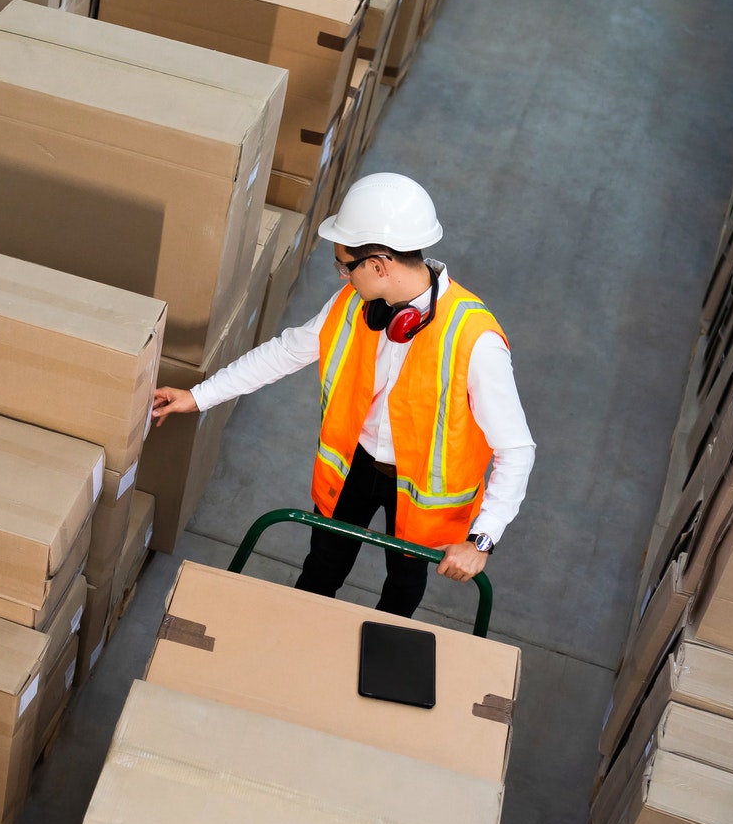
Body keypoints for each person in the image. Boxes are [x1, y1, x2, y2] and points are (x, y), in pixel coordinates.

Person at [153, 173, 535, 618]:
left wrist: (481, 540)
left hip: (420, 497)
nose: (342, 276)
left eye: (345, 266)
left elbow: (516, 450)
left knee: (401, 590)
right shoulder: (354, 307)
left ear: (379, 264)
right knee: (320, 570)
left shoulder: (474, 340)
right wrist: (198, 397)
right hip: (355, 465)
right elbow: (285, 353)